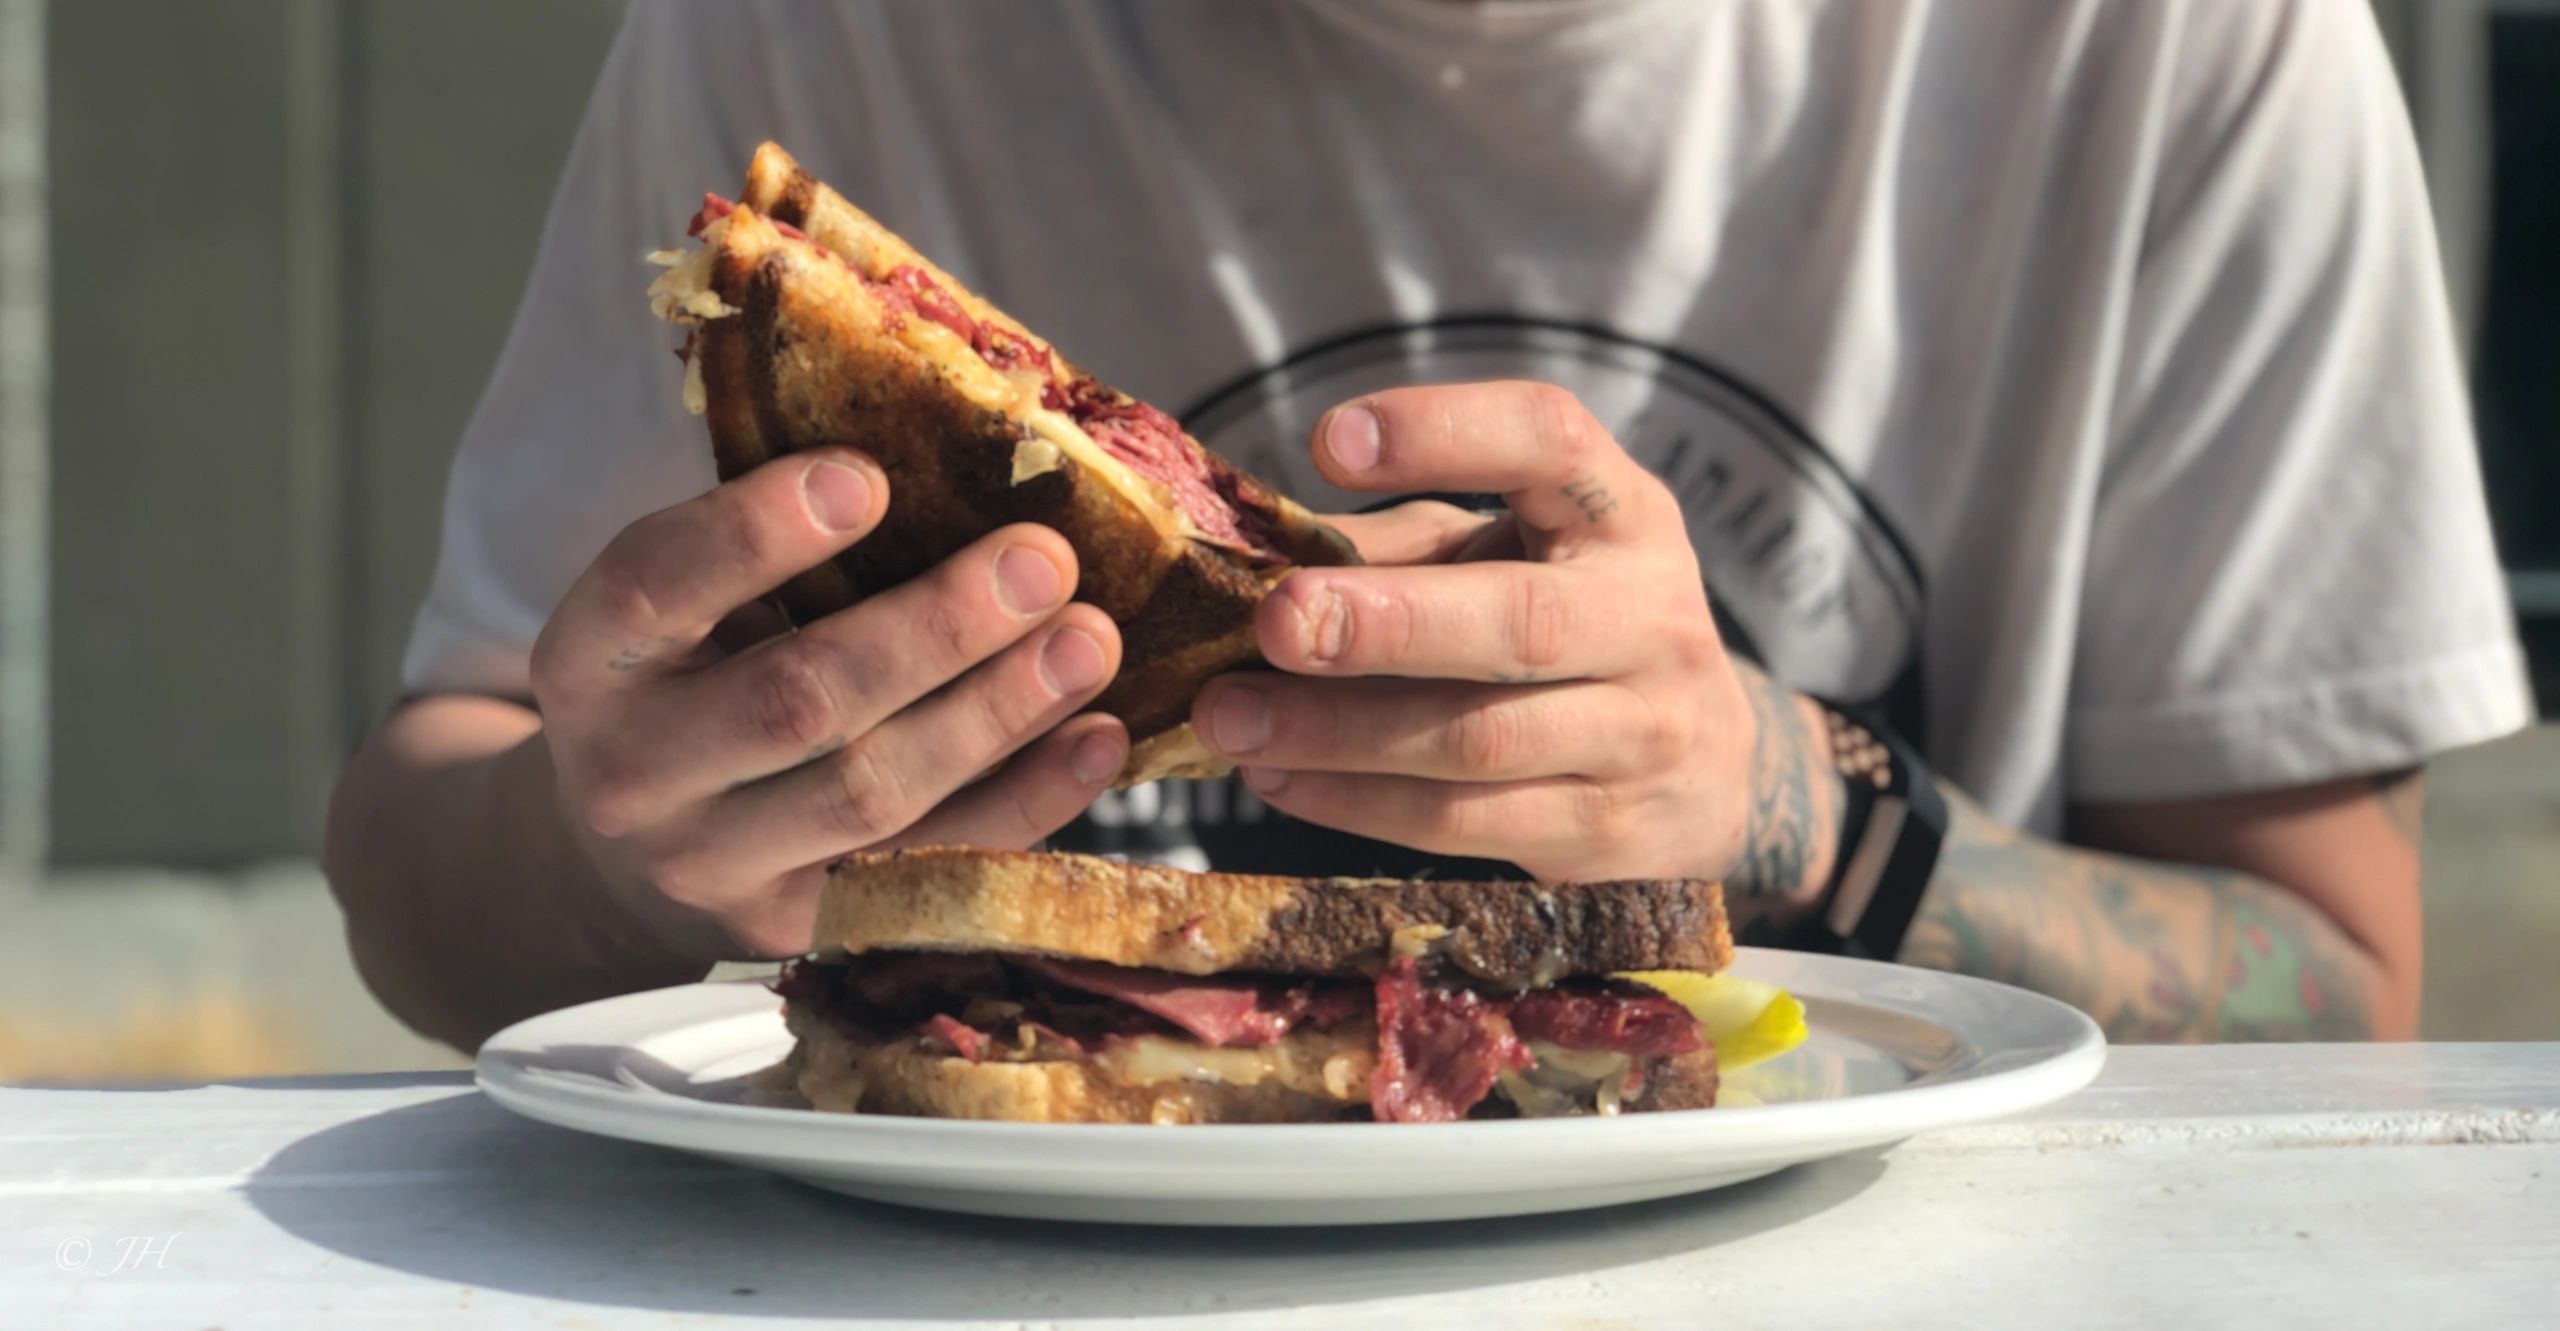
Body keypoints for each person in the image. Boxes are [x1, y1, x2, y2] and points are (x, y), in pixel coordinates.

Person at [325, 0, 2529, 1051]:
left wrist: (1789, 801)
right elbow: (420, 871)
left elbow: (2332, 1004)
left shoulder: (2171, 47)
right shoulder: (824, 34)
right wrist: (614, 854)